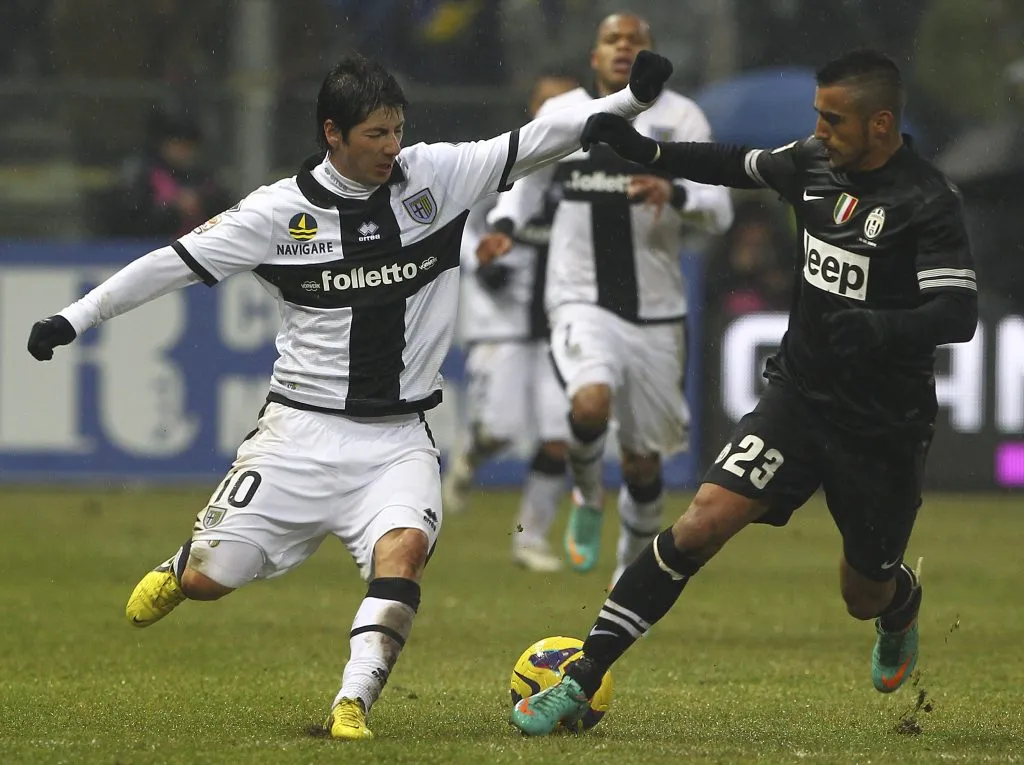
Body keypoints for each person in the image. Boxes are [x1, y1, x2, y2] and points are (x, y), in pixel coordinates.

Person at [26, 51, 673, 741]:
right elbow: (169, 265)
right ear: (333, 133)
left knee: (404, 551)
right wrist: (75, 318)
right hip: (298, 434)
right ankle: (186, 566)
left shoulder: (438, 177)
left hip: (398, 437)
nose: (392, 147)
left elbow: (540, 136)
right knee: (214, 577)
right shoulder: (278, 213)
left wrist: (630, 100)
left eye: (397, 130)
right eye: (376, 134)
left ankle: (352, 702)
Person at [509, 48, 978, 735]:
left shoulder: (927, 201)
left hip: (883, 425)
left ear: (881, 123)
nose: (819, 131)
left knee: (863, 591)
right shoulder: (812, 163)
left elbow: (957, 314)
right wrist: (645, 151)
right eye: (817, 115)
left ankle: (899, 602)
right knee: (701, 521)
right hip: (799, 399)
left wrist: (879, 327)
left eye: (834, 119)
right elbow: (733, 163)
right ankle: (581, 677)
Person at [484, 12, 734, 582]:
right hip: (579, 298)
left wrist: (675, 193)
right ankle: (589, 493)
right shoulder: (564, 111)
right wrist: (503, 224)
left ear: (652, 55)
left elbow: (719, 209)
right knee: (589, 402)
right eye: (611, 39)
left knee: (644, 463)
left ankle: (629, 577)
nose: (623, 47)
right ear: (594, 56)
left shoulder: (681, 118)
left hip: (657, 312)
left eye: (635, 41)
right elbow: (526, 181)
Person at [444, 71, 580, 573]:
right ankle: (472, 452)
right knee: (502, 429)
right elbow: (456, 217)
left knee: (558, 434)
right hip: (500, 317)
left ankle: (531, 538)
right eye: (548, 103)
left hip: (559, 320)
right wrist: (480, 263)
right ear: (532, 108)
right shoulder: (505, 160)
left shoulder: (583, 168)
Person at [98, 107, 232, 239]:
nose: (183, 151)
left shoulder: (204, 178)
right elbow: (126, 220)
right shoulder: (142, 173)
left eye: (188, 146)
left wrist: (201, 204)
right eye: (177, 143)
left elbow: (225, 214)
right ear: (163, 143)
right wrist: (171, 209)